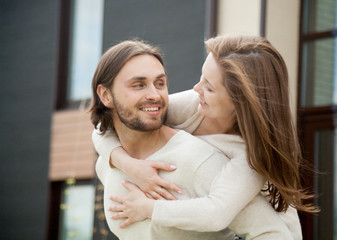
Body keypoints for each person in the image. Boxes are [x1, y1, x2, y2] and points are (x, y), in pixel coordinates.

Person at [89, 39, 293, 240]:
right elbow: (102, 128)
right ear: (105, 95)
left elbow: (217, 213)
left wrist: (151, 208)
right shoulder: (190, 105)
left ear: (240, 102)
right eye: (139, 85)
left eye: (209, 87)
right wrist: (129, 164)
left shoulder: (244, 159)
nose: (196, 88)